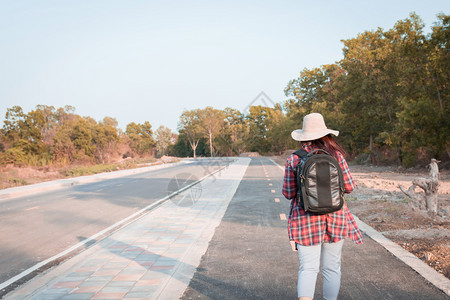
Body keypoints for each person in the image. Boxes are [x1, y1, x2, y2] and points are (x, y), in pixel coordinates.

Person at [282, 113, 363, 300]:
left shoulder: (294, 159)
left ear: (304, 136)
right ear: (326, 134)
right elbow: (349, 187)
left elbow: (288, 193)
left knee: (308, 268)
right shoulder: (337, 156)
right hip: (336, 218)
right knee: (332, 268)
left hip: (305, 220)